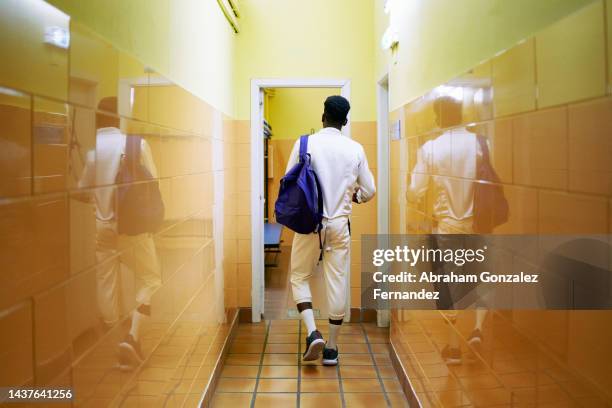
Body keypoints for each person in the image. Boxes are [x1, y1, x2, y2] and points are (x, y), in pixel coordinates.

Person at [285, 95, 376, 365]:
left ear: (323, 115)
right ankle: (332, 349)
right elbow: (369, 190)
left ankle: (313, 332)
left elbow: (288, 180)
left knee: (300, 276)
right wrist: (353, 198)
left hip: (309, 223)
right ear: (345, 121)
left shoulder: (305, 143)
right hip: (339, 225)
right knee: (337, 281)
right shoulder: (355, 149)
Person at [79, 97, 162, 371]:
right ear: (118, 118)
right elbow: (154, 184)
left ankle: (120, 340)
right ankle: (131, 337)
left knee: (107, 285)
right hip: (132, 227)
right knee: (150, 278)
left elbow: (81, 192)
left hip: (102, 229)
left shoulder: (92, 152)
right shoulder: (135, 145)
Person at [409, 96, 488, 364]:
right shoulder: (479, 143)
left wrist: (414, 197)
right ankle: (478, 329)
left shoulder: (431, 148)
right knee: (479, 275)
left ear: (437, 117)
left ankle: (453, 347)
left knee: (447, 284)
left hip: (446, 227)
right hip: (478, 223)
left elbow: (415, 190)